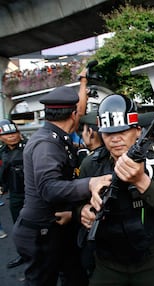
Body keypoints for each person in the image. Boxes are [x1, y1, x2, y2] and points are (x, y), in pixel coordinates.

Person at [12, 85, 112, 286]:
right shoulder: (47, 144)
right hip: (41, 233)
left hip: (54, 229)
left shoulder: (55, 138)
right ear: (74, 114)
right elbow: (49, 189)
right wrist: (90, 183)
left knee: (74, 276)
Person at [78, 94, 154, 286]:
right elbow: (77, 201)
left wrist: (140, 180)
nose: (115, 139)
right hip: (107, 260)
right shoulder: (92, 163)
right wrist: (82, 211)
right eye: (108, 133)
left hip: (152, 257)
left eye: (123, 130)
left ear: (138, 130)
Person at [0, 119, 27, 268]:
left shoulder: (29, 147)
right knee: (18, 227)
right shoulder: (2, 152)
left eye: (14, 133)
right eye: (8, 134)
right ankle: (23, 254)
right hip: (15, 194)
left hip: (32, 193)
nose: (12, 136)